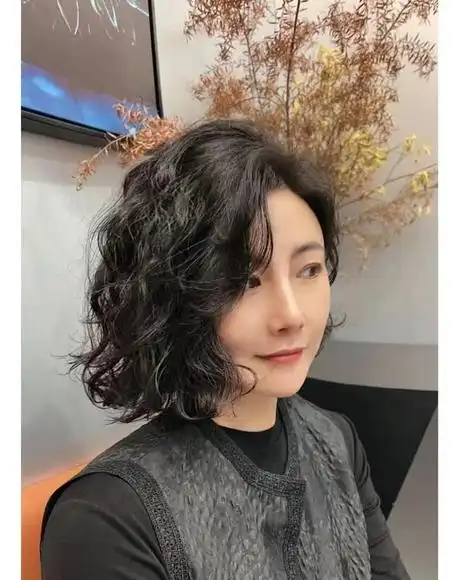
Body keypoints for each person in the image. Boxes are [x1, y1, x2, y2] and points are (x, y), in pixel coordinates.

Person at [40, 119, 409, 580]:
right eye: (245, 280)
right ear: (172, 299)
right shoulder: (108, 519)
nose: (292, 315)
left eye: (309, 270)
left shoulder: (336, 439)